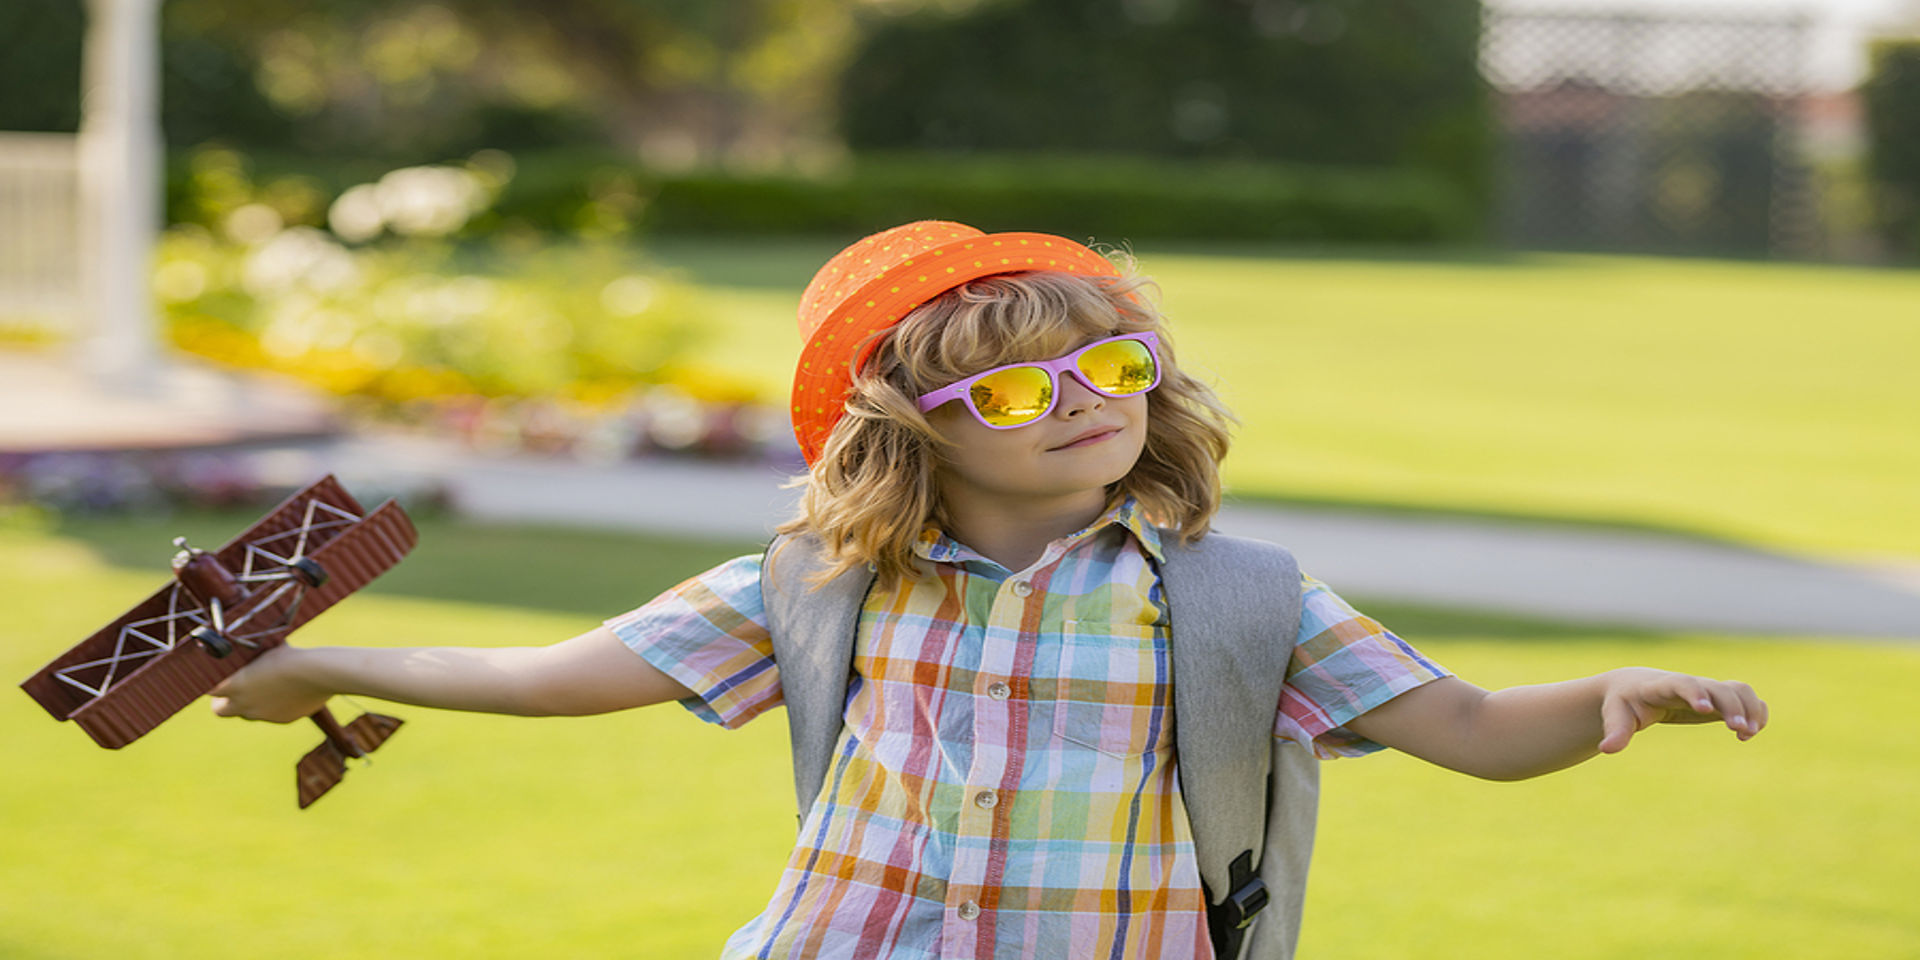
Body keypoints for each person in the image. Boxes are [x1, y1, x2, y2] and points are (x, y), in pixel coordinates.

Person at [211, 220, 1769, 959]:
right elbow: (560, 673)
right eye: (1018, 393)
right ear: (910, 435)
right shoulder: (818, 583)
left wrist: (1608, 699)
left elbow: (1477, 728)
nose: (1087, 400)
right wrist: (327, 668)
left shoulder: (1243, 600)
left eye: (1114, 366)